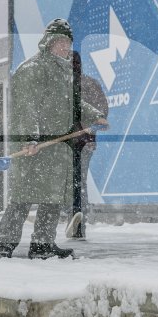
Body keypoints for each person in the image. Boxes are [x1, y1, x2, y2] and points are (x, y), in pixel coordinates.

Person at [0, 18, 108, 259]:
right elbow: (25, 107)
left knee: (52, 199)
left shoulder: (64, 71)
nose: (66, 47)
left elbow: (74, 103)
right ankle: (5, 245)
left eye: (68, 42)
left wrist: (94, 115)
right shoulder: (33, 68)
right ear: (49, 42)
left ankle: (42, 244)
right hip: (34, 147)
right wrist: (29, 139)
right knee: (23, 198)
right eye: (62, 42)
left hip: (57, 148)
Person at [67, 51, 109, 239]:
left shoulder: (74, 85)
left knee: (74, 182)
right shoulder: (89, 83)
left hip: (78, 143)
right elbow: (102, 111)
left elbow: (101, 113)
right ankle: (76, 220)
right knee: (78, 182)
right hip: (80, 143)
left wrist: (87, 127)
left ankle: (77, 221)